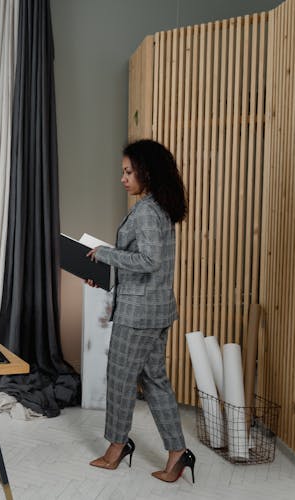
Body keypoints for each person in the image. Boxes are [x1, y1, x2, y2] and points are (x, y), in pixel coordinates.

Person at [86, 139, 196, 483]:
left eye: (128, 171)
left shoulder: (148, 211)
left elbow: (149, 261)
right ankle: (178, 453)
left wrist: (105, 254)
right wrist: (106, 277)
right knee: (155, 382)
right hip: (155, 309)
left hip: (138, 316)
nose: (123, 178)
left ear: (146, 172)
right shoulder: (158, 207)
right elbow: (149, 266)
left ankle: (117, 447)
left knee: (119, 381)